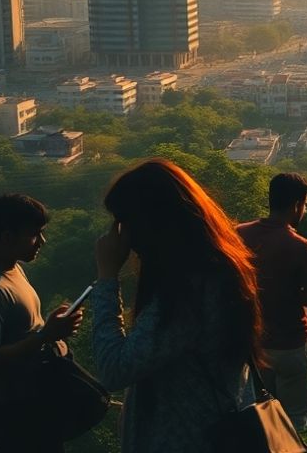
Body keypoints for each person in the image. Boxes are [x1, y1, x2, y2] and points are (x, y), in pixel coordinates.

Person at [91, 158, 263, 453]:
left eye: (124, 223)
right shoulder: (220, 268)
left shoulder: (188, 291)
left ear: (151, 223)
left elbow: (114, 370)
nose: (121, 237)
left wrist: (107, 278)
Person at [0, 193, 84, 453]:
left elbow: (20, 331)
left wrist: (51, 328)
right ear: (7, 237)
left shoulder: (12, 268)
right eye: (35, 234)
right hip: (13, 408)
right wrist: (46, 336)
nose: (41, 241)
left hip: (32, 398)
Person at [237, 172, 307, 430]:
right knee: (294, 420)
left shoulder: (238, 234)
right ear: (296, 205)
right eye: (306, 206)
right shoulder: (300, 246)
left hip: (254, 343)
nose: (305, 212)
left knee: (257, 414)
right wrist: (292, 290)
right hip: (292, 344)